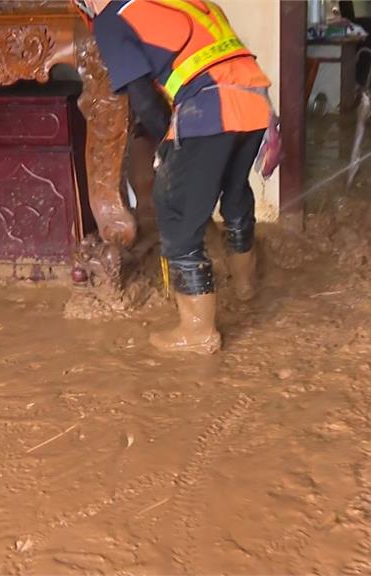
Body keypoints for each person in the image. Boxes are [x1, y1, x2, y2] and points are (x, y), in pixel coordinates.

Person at [75, 0, 274, 354]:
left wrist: (168, 149)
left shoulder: (111, 19)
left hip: (210, 105)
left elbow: (147, 104)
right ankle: (247, 285)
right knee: (234, 192)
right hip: (256, 102)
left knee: (175, 208)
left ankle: (197, 331)